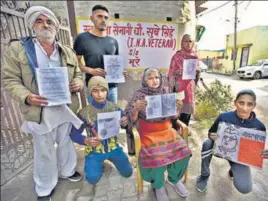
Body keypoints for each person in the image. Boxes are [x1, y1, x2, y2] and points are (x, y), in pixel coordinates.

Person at [2, 6, 84, 201]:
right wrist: (27, 96)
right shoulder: (18, 49)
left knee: (65, 141)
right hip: (39, 109)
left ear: (55, 26)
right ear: (32, 25)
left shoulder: (66, 51)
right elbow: (10, 79)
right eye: (39, 21)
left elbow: (78, 73)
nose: (45, 25)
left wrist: (79, 82)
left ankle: (68, 170)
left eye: (48, 22)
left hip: (64, 106)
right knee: (44, 149)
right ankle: (45, 187)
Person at [125, 68, 192, 201]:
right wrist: (136, 109)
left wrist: (178, 110)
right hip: (148, 133)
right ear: (144, 80)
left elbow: (173, 117)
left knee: (184, 151)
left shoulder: (165, 92)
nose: (154, 80)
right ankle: (158, 185)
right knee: (156, 156)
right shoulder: (139, 94)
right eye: (150, 78)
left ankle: (173, 179)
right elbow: (131, 120)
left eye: (156, 77)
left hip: (167, 131)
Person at [196, 89, 267, 194]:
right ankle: (204, 175)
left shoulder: (259, 127)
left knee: (245, 188)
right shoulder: (224, 117)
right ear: (235, 103)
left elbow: (255, 151)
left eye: (249, 104)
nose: (244, 108)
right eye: (241, 103)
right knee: (207, 143)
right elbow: (211, 132)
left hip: (239, 157)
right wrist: (212, 136)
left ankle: (233, 170)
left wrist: (263, 153)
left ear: (254, 106)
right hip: (220, 149)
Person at [70, 76, 133, 184]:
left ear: (107, 92)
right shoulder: (84, 113)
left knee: (128, 172)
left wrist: (125, 123)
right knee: (93, 179)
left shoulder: (115, 108)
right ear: (90, 92)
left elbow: (125, 126)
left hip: (114, 148)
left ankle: (111, 159)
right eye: (95, 91)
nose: (100, 94)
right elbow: (73, 133)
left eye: (103, 90)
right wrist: (85, 140)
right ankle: (96, 163)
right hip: (94, 151)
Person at [73, 4, 127, 104]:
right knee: (95, 117)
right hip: (95, 88)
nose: (103, 20)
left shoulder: (113, 41)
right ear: (92, 18)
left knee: (112, 116)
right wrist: (90, 70)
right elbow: (75, 62)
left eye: (106, 17)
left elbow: (115, 64)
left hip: (112, 88)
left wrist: (120, 73)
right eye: (99, 16)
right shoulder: (82, 38)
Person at [168, 34, 200, 129]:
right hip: (179, 89)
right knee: (176, 117)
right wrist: (177, 73)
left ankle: (183, 136)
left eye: (190, 41)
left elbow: (197, 76)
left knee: (186, 117)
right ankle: (175, 137)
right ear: (182, 42)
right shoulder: (177, 56)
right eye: (186, 41)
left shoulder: (195, 56)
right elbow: (171, 74)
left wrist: (198, 71)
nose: (188, 43)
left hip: (189, 90)